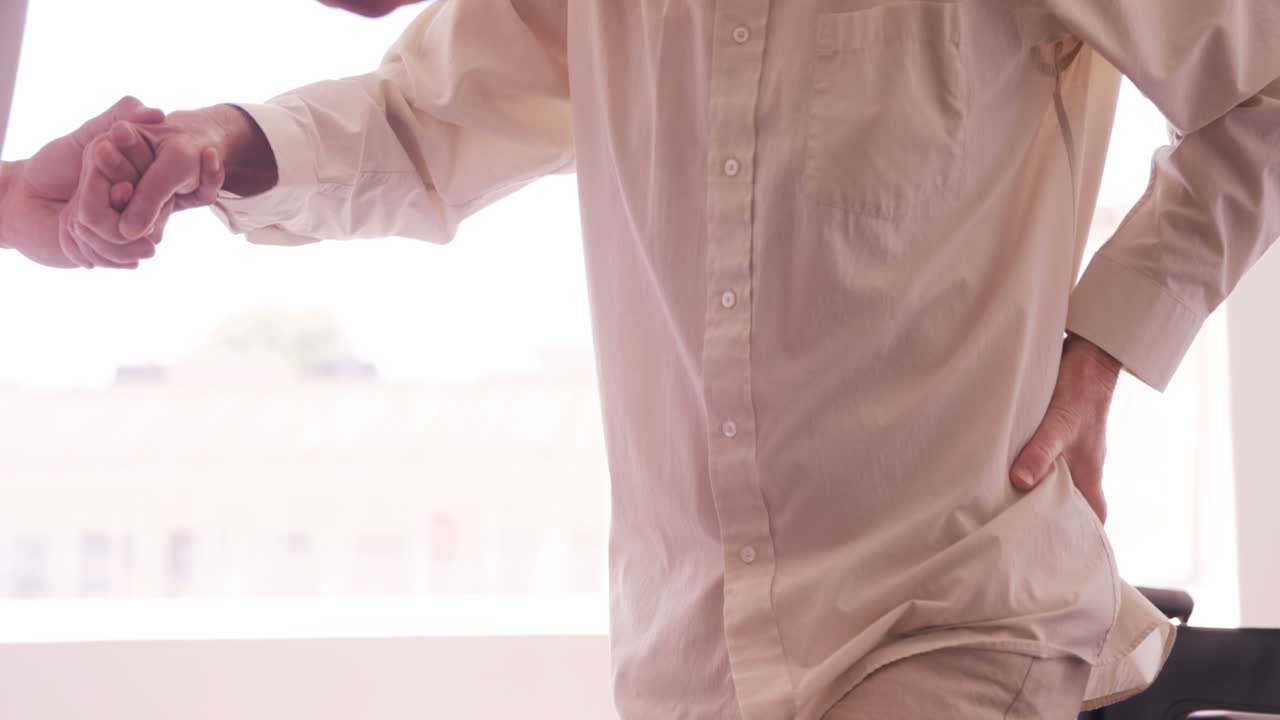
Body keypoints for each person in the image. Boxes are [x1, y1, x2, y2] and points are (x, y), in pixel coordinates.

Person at [6, 1, 1280, 718]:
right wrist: (214, 151)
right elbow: (418, 116)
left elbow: (1265, 80)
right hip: (689, 666)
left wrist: (1115, 332)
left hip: (952, 627)